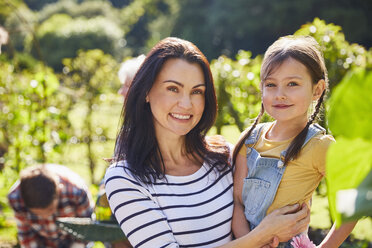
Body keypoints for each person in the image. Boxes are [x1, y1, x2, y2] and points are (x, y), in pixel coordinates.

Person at [104, 37, 310, 248]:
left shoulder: (225, 157)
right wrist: (259, 237)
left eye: (197, 92)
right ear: (146, 91)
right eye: (173, 88)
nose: (186, 104)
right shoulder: (125, 178)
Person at [231, 36, 356, 247]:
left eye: (292, 84)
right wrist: (251, 242)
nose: (280, 94)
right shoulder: (249, 140)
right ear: (261, 88)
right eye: (271, 84)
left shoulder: (319, 146)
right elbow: (237, 203)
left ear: (317, 90)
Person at [8, 164, 93, 248]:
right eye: (38, 214)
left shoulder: (77, 192)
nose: (45, 216)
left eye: (50, 210)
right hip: (43, 240)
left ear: (58, 191)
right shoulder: (15, 198)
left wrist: (77, 245)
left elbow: (87, 228)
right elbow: (27, 237)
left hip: (74, 238)